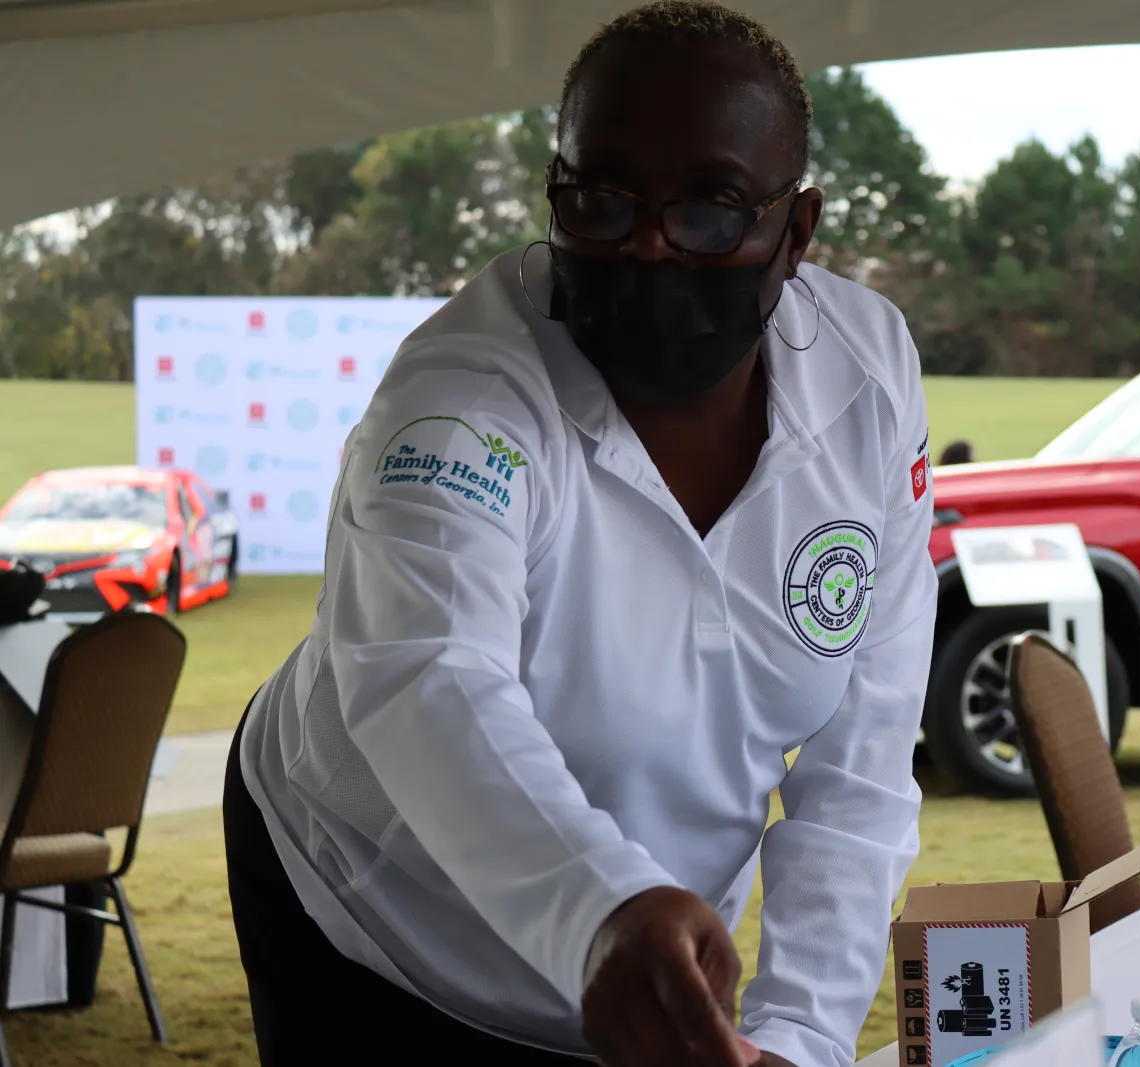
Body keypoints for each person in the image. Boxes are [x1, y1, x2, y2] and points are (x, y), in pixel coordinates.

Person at [221, 4, 937, 1066]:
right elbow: (430, 678)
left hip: (636, 925)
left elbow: (860, 761)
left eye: (710, 207)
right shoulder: (459, 400)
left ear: (795, 231)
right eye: (601, 200)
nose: (648, 244)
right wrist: (602, 911)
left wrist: (800, 1033)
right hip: (376, 906)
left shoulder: (866, 383)